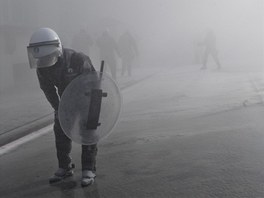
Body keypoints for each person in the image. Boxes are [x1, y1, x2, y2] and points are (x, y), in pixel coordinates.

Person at [27, 27, 97, 187]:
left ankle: (88, 169)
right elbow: (48, 90)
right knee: (60, 131)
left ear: (57, 49)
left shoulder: (78, 59)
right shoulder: (42, 67)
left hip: (86, 99)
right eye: (41, 59)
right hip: (65, 102)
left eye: (48, 57)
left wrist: (93, 108)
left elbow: (94, 83)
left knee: (88, 133)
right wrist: (58, 109)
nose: (44, 62)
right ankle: (64, 167)